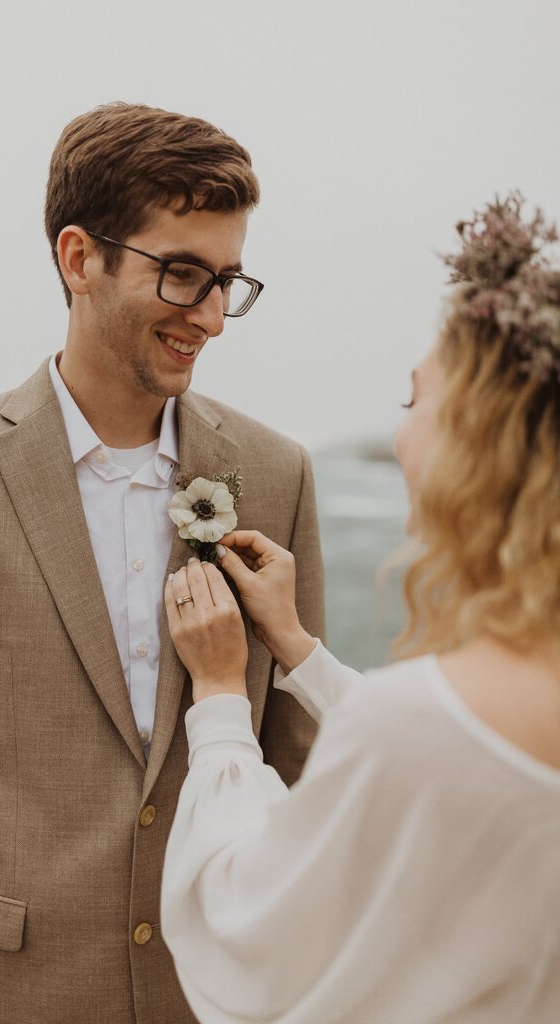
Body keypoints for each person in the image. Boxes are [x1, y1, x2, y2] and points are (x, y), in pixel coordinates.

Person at [0, 103, 325, 1024]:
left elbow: (302, 778)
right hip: (13, 995)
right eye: (182, 275)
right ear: (78, 259)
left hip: (217, 998)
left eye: (226, 282)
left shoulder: (276, 474)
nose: (210, 317)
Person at [161, 194, 560, 1023]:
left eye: (416, 405)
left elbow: (241, 925)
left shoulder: (419, 726)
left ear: (477, 439)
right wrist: (299, 648)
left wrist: (222, 700)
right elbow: (454, 762)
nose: (402, 437)